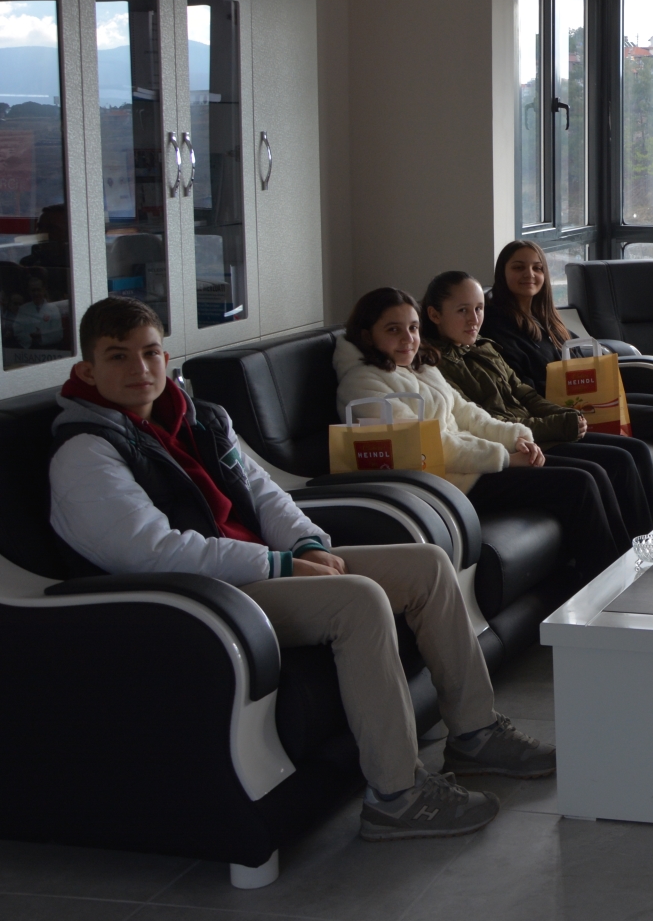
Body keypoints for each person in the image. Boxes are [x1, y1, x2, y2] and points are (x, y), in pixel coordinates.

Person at [48, 297, 553, 843]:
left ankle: (475, 734)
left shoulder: (198, 418)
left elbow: (266, 494)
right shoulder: (86, 450)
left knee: (427, 566)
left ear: (166, 359)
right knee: (356, 599)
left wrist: (306, 544)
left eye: (150, 353)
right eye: (118, 356)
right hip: (202, 597)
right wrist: (279, 564)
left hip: (257, 568)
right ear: (87, 370)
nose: (140, 369)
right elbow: (150, 552)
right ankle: (396, 796)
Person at [334, 287, 626, 571]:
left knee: (594, 472)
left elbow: (469, 414)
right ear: (367, 335)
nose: (408, 338)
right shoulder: (363, 384)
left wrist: (516, 438)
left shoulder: (420, 367)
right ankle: (607, 584)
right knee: (578, 484)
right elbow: (427, 446)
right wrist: (505, 458)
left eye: (413, 328)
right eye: (393, 330)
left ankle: (627, 570)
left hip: (475, 465)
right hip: (445, 485)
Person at [423, 269, 653, 539]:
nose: (474, 319)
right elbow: (487, 422)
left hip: (538, 430)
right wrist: (558, 425)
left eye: (479, 309)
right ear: (435, 315)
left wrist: (566, 414)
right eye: (462, 311)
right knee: (608, 466)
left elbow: (525, 394)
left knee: (634, 451)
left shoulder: (484, 347)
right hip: (521, 441)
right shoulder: (435, 367)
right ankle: (630, 554)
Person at [479, 240, 653, 490]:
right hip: (560, 410)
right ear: (502, 273)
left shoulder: (544, 317)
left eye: (537, 268)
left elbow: (577, 352)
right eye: (518, 267)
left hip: (586, 397)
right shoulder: (497, 326)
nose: (529, 274)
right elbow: (518, 389)